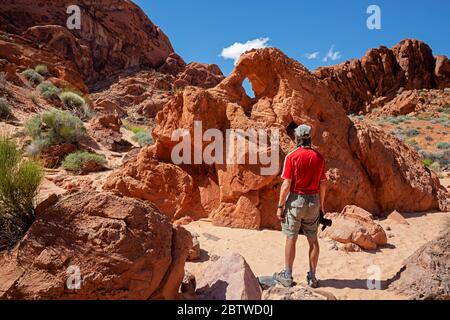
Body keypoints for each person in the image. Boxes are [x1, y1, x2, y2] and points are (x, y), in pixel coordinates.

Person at [273, 124, 327, 288]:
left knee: (291, 237)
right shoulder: (319, 157)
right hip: (313, 201)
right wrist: (322, 206)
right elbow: (323, 184)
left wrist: (280, 205)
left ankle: (287, 275)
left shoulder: (292, 156)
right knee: (313, 240)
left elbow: (286, 184)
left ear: (297, 138)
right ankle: (312, 277)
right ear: (309, 138)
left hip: (296, 200)